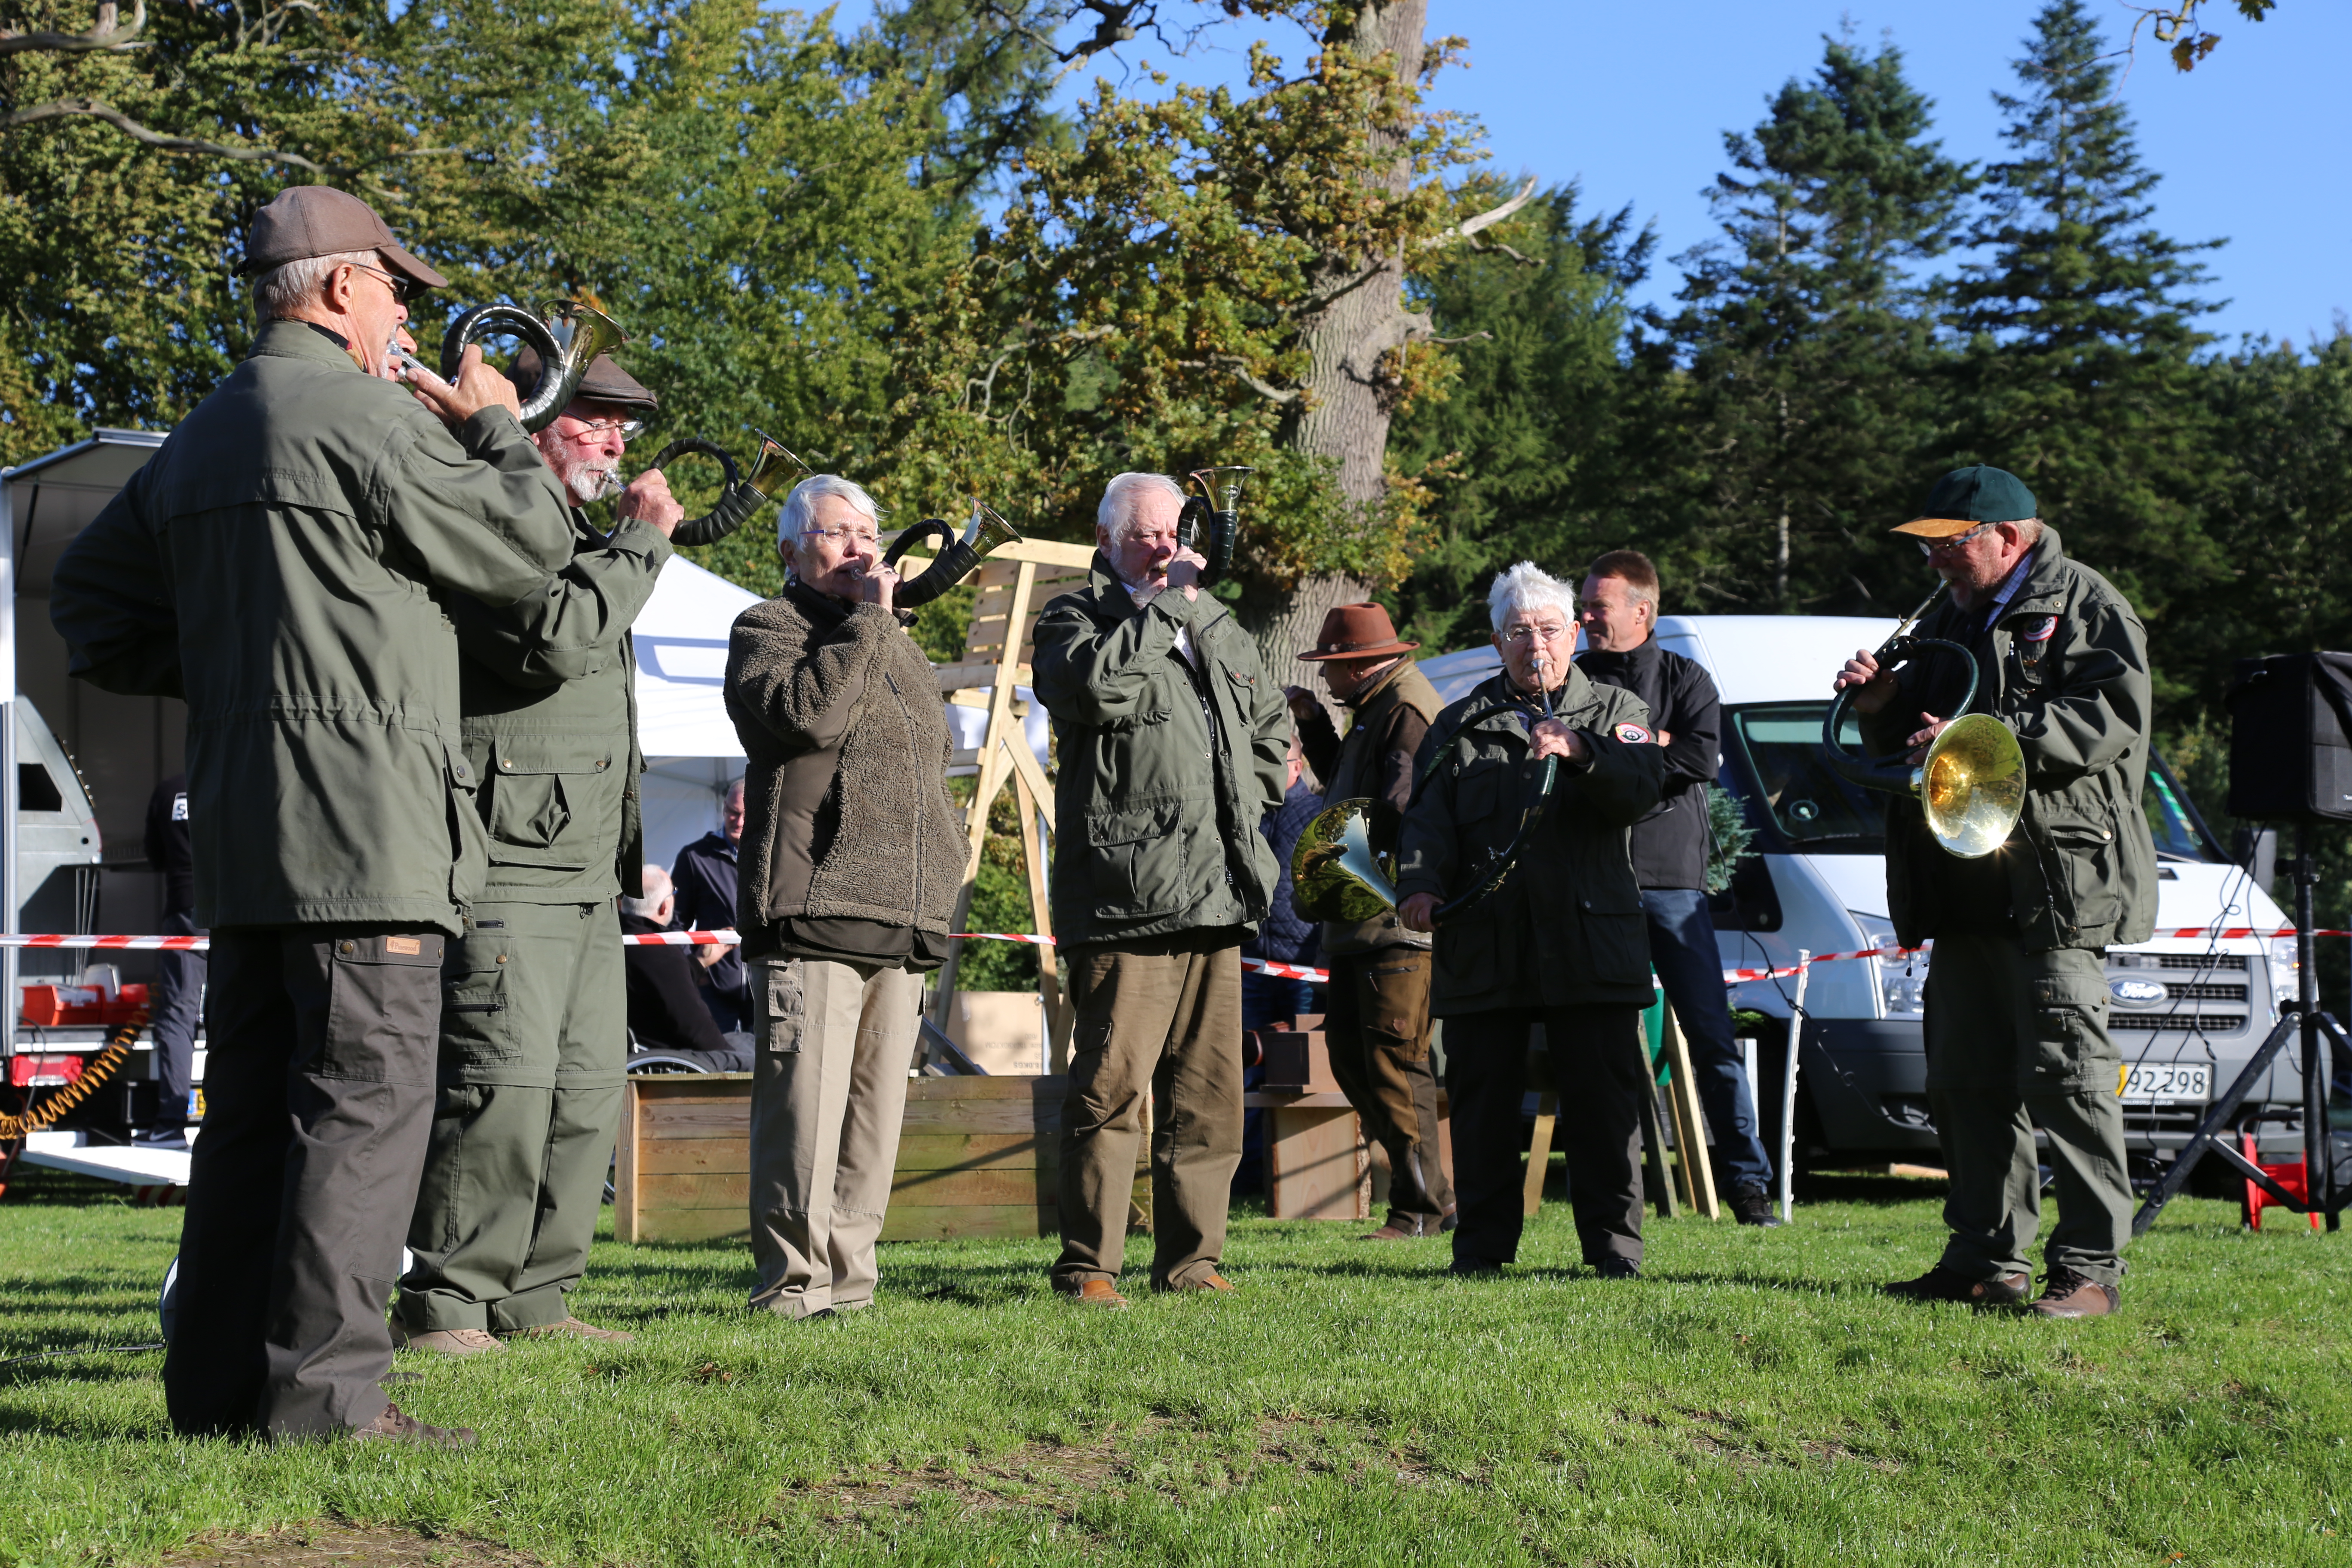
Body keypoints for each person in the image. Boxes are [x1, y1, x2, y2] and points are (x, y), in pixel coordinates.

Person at [50, 184, 578, 1445]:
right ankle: (331, 1405)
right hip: (371, 843)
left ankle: (217, 1393)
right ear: (343, 289)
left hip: (246, 843)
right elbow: (529, 556)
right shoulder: (365, 418)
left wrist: (247, 667)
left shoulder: (205, 434)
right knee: (361, 1119)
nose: (405, 309)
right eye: (397, 284)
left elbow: (92, 608)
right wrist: (499, 430)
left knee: (247, 1128)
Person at [396, 348, 683, 1354]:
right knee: (499, 1089)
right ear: (523, 422)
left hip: (582, 873)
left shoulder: (581, 535)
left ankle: (537, 1295)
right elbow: (553, 640)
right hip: (504, 862)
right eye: (591, 420)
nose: (611, 441)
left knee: (584, 1092)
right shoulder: (487, 512)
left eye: (622, 427)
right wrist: (645, 543)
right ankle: (448, 1302)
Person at [1835, 466, 2155, 1319]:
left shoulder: (2087, 603)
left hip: (2052, 885)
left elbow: (2108, 718)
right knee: (1966, 1081)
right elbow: (1914, 741)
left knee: (2070, 1080)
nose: (1935, 559)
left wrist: (1988, 734)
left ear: (2009, 538)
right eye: (1931, 545)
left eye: (1951, 542)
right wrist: (1885, 700)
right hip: (1964, 883)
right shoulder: (1947, 616)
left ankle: (2089, 1273)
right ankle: (1985, 1260)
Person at [1031, 472, 1287, 1307]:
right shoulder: (1075, 619)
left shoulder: (1217, 623)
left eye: (1173, 531)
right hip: (1123, 899)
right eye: (1144, 534)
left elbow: (1271, 733)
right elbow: (1097, 691)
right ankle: (1088, 1268)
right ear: (1105, 542)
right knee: (1109, 1091)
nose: (1164, 546)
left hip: (1219, 895)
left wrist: (1247, 815)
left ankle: (1191, 1263)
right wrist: (1171, 607)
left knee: (1209, 1097)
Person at [725, 474, 965, 1320]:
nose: (861, 548)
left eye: (868, 532)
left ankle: (851, 1290)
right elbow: (807, 719)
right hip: (812, 909)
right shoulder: (767, 628)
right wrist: (869, 620)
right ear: (791, 550)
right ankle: (792, 1290)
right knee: (804, 1121)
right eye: (836, 534)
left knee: (873, 1123)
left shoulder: (894, 644)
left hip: (905, 918)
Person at [1395, 562, 1664, 1279]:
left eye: (1548, 629)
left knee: (1604, 1108)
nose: (1534, 643)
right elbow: (1425, 821)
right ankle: (1481, 1248)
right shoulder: (1458, 724)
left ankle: (1613, 1250)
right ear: (1496, 640)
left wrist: (1581, 752)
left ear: (1575, 634)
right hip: (1488, 944)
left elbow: (1642, 789)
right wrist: (1420, 885)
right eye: (1519, 631)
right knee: (1482, 1109)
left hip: (1590, 944)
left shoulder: (1618, 711)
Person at [1572, 551, 1781, 1228]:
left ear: (1643, 610)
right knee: (1600, 1044)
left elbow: (1699, 757)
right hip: (1595, 885)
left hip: (1673, 889)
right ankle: (1611, 1189)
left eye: (1597, 608)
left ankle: (1748, 1188)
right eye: (1584, 605)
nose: (1584, 619)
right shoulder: (1569, 680)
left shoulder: (1686, 677)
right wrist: (1634, 747)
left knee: (1711, 1041)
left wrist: (1615, 745)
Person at [1286, 603, 1456, 1241]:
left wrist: (1327, 874)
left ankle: (1419, 1212)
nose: (1326, 681)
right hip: (1364, 923)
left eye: (1331, 669)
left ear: (1360, 665)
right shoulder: (1375, 708)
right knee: (1356, 1059)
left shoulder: (1407, 711)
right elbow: (1353, 794)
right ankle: (1428, 1203)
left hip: (1394, 922)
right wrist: (1314, 725)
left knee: (1394, 1062)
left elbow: (1396, 817)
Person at [621, 866, 752, 1071]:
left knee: (745, 1039)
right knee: (756, 1052)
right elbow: (697, 1030)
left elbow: (656, 983)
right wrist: (730, 1054)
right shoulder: (660, 952)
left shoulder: (619, 940)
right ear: (664, 906)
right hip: (665, 1057)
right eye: (674, 893)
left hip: (640, 1048)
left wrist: (700, 961)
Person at [1239, 730, 1323, 1032]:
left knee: (1302, 1063)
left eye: (1276, 761)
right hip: (1251, 964)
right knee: (1249, 1064)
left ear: (1298, 766)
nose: (1266, 770)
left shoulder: (1320, 814)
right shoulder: (1246, 814)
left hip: (1306, 968)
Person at [138, 773, 200, 1149]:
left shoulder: (167, 789)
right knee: (238, 1014)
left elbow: (155, 854)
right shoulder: (233, 778)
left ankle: (171, 1124)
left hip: (185, 909)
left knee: (178, 1015)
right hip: (236, 912)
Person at [672, 780, 750, 1031]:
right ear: (723, 809)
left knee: (766, 1066)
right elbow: (674, 924)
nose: (738, 822)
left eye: (746, 815)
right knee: (716, 1063)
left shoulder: (778, 855)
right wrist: (695, 969)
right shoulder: (694, 857)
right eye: (733, 813)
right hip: (714, 989)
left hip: (768, 986)